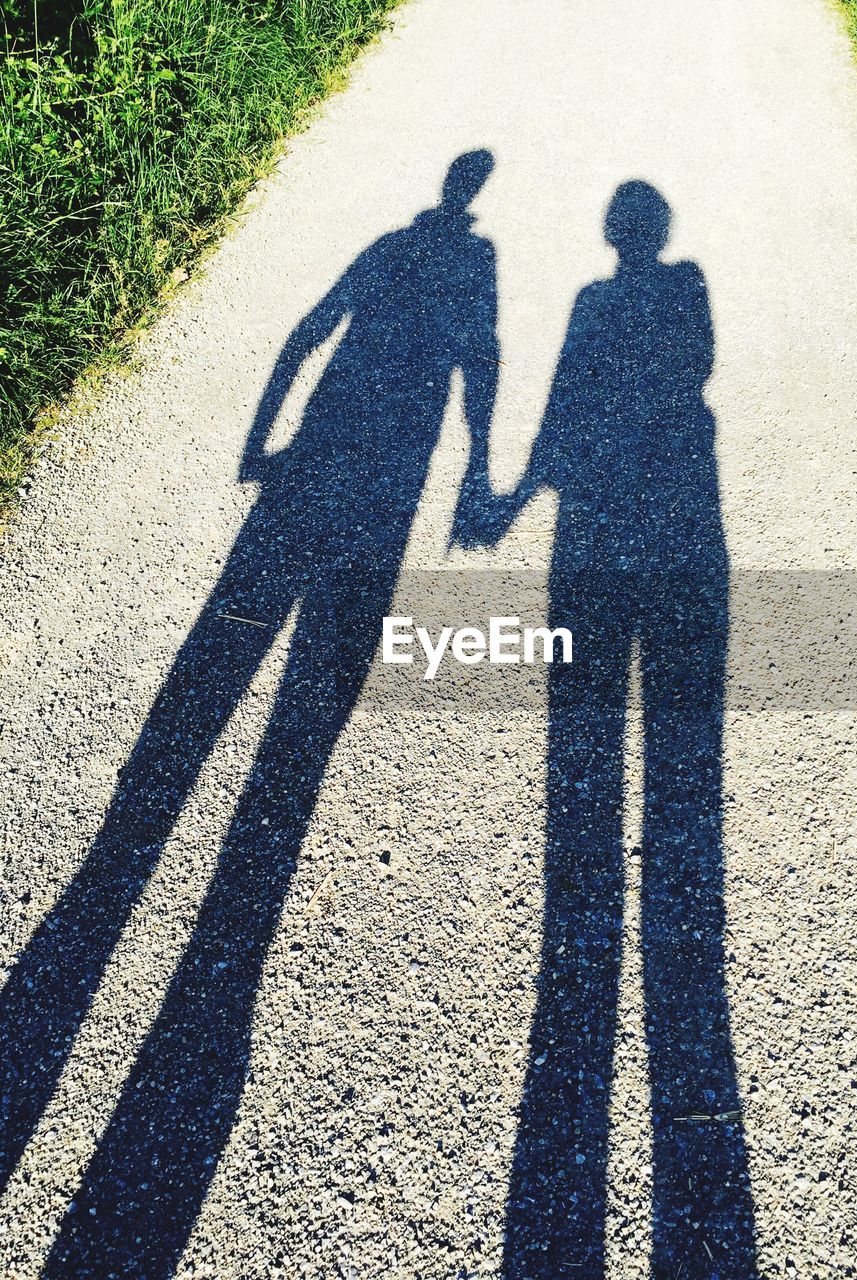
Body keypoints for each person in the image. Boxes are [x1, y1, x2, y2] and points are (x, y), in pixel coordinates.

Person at [1, 150, 500, 1279]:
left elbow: (311, 331)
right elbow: (479, 365)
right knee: (306, 710)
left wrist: (262, 436)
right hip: (382, 490)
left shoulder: (395, 248)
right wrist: (473, 469)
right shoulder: (473, 266)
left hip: (307, 475)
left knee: (218, 673)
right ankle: (234, 902)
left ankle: (137, 849)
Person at [456, 182, 756, 1279]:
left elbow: (560, 412)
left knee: (587, 741)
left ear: (610, 236)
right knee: (681, 754)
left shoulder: (596, 301)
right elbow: (694, 373)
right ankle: (667, 907)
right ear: (661, 234)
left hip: (596, 536)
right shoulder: (688, 294)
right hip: (683, 529)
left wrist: (506, 496)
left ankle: (583, 912)